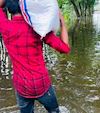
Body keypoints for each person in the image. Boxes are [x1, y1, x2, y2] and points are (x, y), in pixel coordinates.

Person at [0, 0, 71, 113]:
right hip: (41, 84)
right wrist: (62, 23)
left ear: (8, 9)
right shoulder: (38, 28)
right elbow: (65, 48)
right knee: (55, 111)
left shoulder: (4, 26)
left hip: (21, 86)